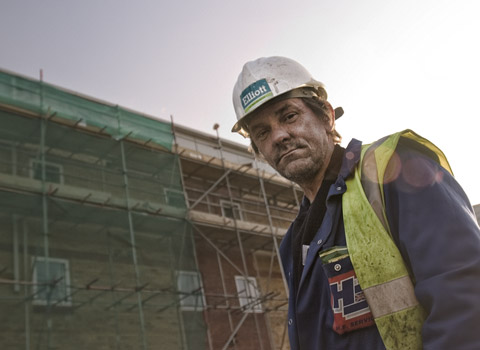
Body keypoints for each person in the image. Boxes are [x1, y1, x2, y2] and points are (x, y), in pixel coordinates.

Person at [230, 56, 480, 350]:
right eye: (262, 132)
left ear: (326, 116)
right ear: (259, 151)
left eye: (289, 116)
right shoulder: (292, 245)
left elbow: (466, 304)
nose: (280, 136)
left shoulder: (393, 171)